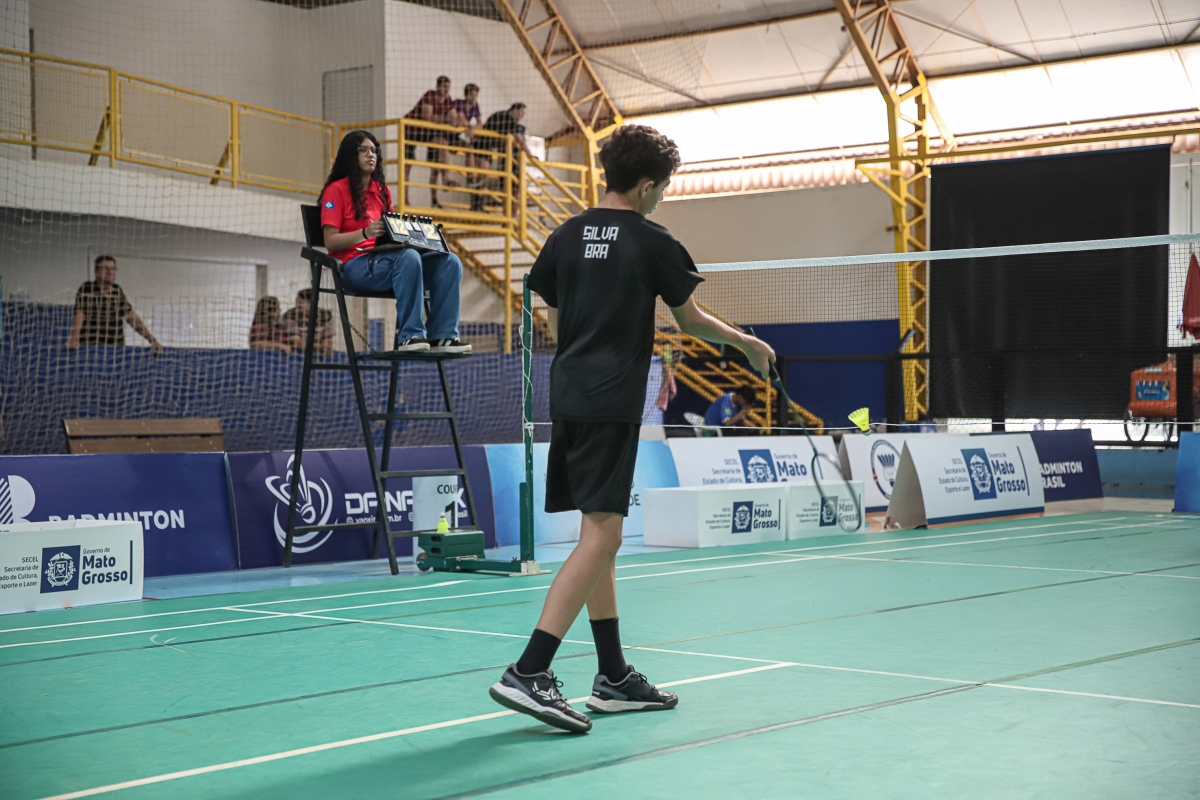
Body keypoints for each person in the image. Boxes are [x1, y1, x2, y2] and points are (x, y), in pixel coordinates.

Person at [488, 125, 775, 734]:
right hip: (612, 400)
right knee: (602, 538)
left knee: (602, 535)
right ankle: (530, 670)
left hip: (569, 395)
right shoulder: (652, 240)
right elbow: (690, 321)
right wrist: (747, 342)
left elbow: (551, 315)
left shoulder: (564, 235)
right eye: (663, 188)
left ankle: (613, 676)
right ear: (646, 185)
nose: (662, 197)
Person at [320, 130, 470, 354]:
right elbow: (330, 242)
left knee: (450, 262)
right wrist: (365, 233)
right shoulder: (336, 191)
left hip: (387, 262)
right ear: (351, 154)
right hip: (352, 267)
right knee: (408, 258)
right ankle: (410, 336)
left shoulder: (382, 192)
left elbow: (391, 234)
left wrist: (420, 239)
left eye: (374, 150)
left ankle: (443, 337)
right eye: (363, 150)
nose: (370, 155)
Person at [66, 255, 163, 354]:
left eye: (112, 269)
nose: (110, 272)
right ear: (96, 271)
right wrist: (74, 338)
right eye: (105, 268)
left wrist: (152, 340)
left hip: (116, 350)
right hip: (91, 348)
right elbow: (80, 314)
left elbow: (130, 317)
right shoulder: (87, 288)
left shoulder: (117, 291)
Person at [404, 76, 459, 207]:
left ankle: (445, 179)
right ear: (438, 86)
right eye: (444, 86)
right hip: (412, 130)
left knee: (442, 144)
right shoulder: (430, 95)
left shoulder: (448, 100)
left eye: (448, 87)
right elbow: (427, 117)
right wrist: (447, 120)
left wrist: (456, 121)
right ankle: (404, 199)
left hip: (428, 132)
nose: (446, 89)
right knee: (407, 165)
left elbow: (454, 117)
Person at [475, 102, 534, 211]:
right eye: (521, 112)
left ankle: (477, 202)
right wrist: (530, 155)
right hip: (484, 146)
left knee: (484, 175)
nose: (522, 115)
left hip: (487, 147)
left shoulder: (502, 117)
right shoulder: (508, 120)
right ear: (514, 110)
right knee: (483, 174)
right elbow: (520, 140)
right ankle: (476, 201)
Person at [279, 289, 334, 357]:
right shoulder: (291, 315)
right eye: (297, 302)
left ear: (311, 303)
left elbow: (327, 345)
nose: (297, 305)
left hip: (319, 355)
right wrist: (319, 347)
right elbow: (296, 341)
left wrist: (307, 345)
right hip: (296, 354)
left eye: (301, 303)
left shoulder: (325, 316)